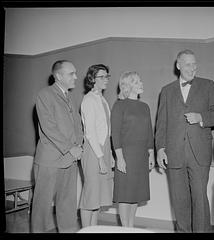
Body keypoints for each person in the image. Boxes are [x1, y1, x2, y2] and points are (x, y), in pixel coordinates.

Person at [155, 49, 214, 232]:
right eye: (188, 64)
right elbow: (161, 123)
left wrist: (201, 117)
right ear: (178, 66)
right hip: (174, 153)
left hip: (199, 153)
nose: (193, 68)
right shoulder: (167, 91)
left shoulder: (207, 85)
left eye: (194, 64)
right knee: (179, 200)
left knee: (199, 198)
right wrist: (160, 149)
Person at [31, 60, 83, 233]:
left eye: (75, 73)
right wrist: (70, 147)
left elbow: (77, 125)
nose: (76, 76)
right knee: (42, 208)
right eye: (71, 73)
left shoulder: (70, 97)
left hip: (70, 159)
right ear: (58, 76)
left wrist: (79, 145)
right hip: (50, 161)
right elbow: (49, 127)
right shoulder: (44, 95)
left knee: (68, 205)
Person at [111, 71, 155, 227]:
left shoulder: (145, 107)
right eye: (136, 82)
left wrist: (151, 154)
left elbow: (149, 132)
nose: (141, 83)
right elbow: (115, 134)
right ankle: (125, 228)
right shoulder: (119, 106)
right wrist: (120, 158)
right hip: (126, 155)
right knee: (125, 194)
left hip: (141, 156)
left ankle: (130, 226)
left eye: (140, 80)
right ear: (127, 86)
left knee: (135, 193)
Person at [79, 64, 114, 227]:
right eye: (102, 77)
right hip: (93, 151)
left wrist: (110, 155)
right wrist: (100, 158)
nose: (106, 79)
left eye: (107, 76)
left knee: (97, 198)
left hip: (103, 149)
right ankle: (85, 230)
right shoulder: (89, 100)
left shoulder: (102, 99)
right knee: (90, 196)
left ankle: (92, 230)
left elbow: (106, 130)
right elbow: (90, 133)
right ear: (92, 79)